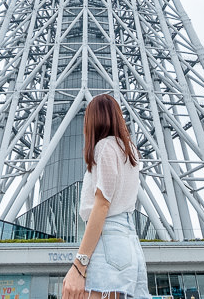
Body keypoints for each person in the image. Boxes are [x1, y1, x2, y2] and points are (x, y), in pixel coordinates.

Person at [62, 94, 151, 299]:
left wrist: (79, 265)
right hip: (129, 241)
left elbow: (102, 205)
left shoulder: (105, 146)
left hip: (108, 236)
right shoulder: (130, 151)